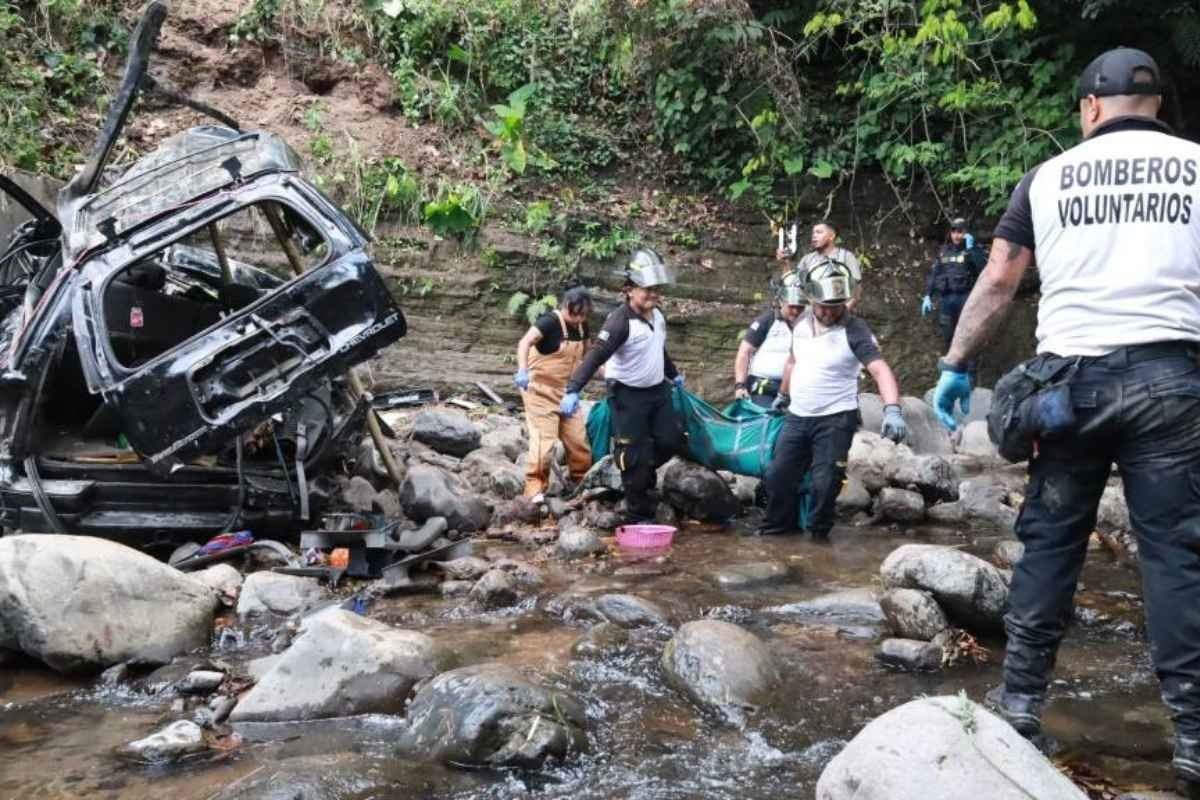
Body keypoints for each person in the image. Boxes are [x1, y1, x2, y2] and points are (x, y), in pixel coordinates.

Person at [932, 48, 1200, 795]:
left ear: (1088, 108)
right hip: (1169, 382)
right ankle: (1193, 735)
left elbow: (1000, 279)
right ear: (1157, 106)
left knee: (1050, 543)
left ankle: (1018, 707)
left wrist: (957, 365)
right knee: (1175, 553)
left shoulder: (1047, 177)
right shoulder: (1196, 165)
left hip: (1068, 387)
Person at [757, 259, 906, 539]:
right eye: (823, 305)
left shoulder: (855, 330)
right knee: (778, 476)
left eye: (835, 306)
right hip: (798, 416)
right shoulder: (800, 324)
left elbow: (879, 369)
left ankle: (817, 536)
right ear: (811, 299)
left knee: (824, 483)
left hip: (836, 418)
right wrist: (783, 395)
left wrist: (892, 409)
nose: (828, 312)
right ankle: (777, 531)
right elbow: (792, 362)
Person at [560, 249, 686, 524]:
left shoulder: (657, 316)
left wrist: (673, 375)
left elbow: (658, 350)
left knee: (671, 440)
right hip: (628, 396)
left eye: (657, 289)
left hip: (658, 392)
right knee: (633, 456)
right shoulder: (620, 321)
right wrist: (573, 389)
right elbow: (596, 356)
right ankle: (637, 516)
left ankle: (642, 476)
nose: (654, 294)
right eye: (647, 289)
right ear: (629, 289)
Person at [513, 287, 594, 499]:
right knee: (544, 442)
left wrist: (612, 375)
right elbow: (524, 343)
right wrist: (522, 370)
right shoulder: (549, 321)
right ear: (566, 306)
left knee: (579, 442)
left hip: (568, 393)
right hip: (539, 391)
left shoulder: (583, 327)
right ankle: (535, 488)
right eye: (575, 314)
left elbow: (589, 359)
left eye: (583, 315)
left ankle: (581, 484)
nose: (578, 319)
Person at [920, 217, 987, 366]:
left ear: (966, 233)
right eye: (954, 232)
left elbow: (983, 269)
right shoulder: (944, 252)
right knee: (948, 338)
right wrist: (927, 296)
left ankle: (970, 379)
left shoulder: (973, 250)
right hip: (947, 300)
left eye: (960, 232)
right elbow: (934, 274)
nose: (957, 235)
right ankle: (951, 374)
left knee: (969, 339)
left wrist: (971, 250)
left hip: (966, 299)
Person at [734, 271, 805, 407]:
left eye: (800, 307)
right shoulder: (766, 321)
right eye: (791, 306)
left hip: (796, 387)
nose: (796, 311)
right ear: (782, 301)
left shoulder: (808, 324)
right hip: (764, 385)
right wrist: (739, 386)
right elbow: (744, 352)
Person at [795, 220, 863, 310]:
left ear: (831, 236)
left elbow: (856, 291)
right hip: (812, 316)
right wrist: (785, 264)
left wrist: (843, 313)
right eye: (813, 233)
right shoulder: (807, 259)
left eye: (819, 232)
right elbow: (795, 287)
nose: (814, 236)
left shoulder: (846, 257)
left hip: (840, 314)